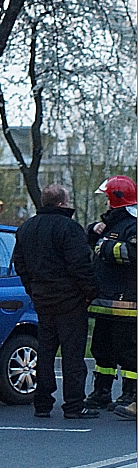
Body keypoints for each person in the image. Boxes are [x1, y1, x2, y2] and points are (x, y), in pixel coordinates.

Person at [12, 184, 100, 419]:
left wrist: (33, 290)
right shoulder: (69, 228)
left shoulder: (26, 228)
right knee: (72, 354)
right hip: (70, 300)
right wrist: (90, 291)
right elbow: (81, 265)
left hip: (42, 300)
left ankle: (42, 403)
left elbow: (19, 264)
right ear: (62, 203)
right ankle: (73, 404)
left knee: (47, 351)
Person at [83, 176, 137, 413]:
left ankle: (130, 395)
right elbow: (92, 240)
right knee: (101, 350)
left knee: (128, 352)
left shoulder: (133, 225)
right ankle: (101, 392)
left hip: (127, 303)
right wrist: (93, 230)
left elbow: (132, 254)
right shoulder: (113, 224)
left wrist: (104, 247)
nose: (104, 204)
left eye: (106, 198)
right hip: (105, 302)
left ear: (116, 200)